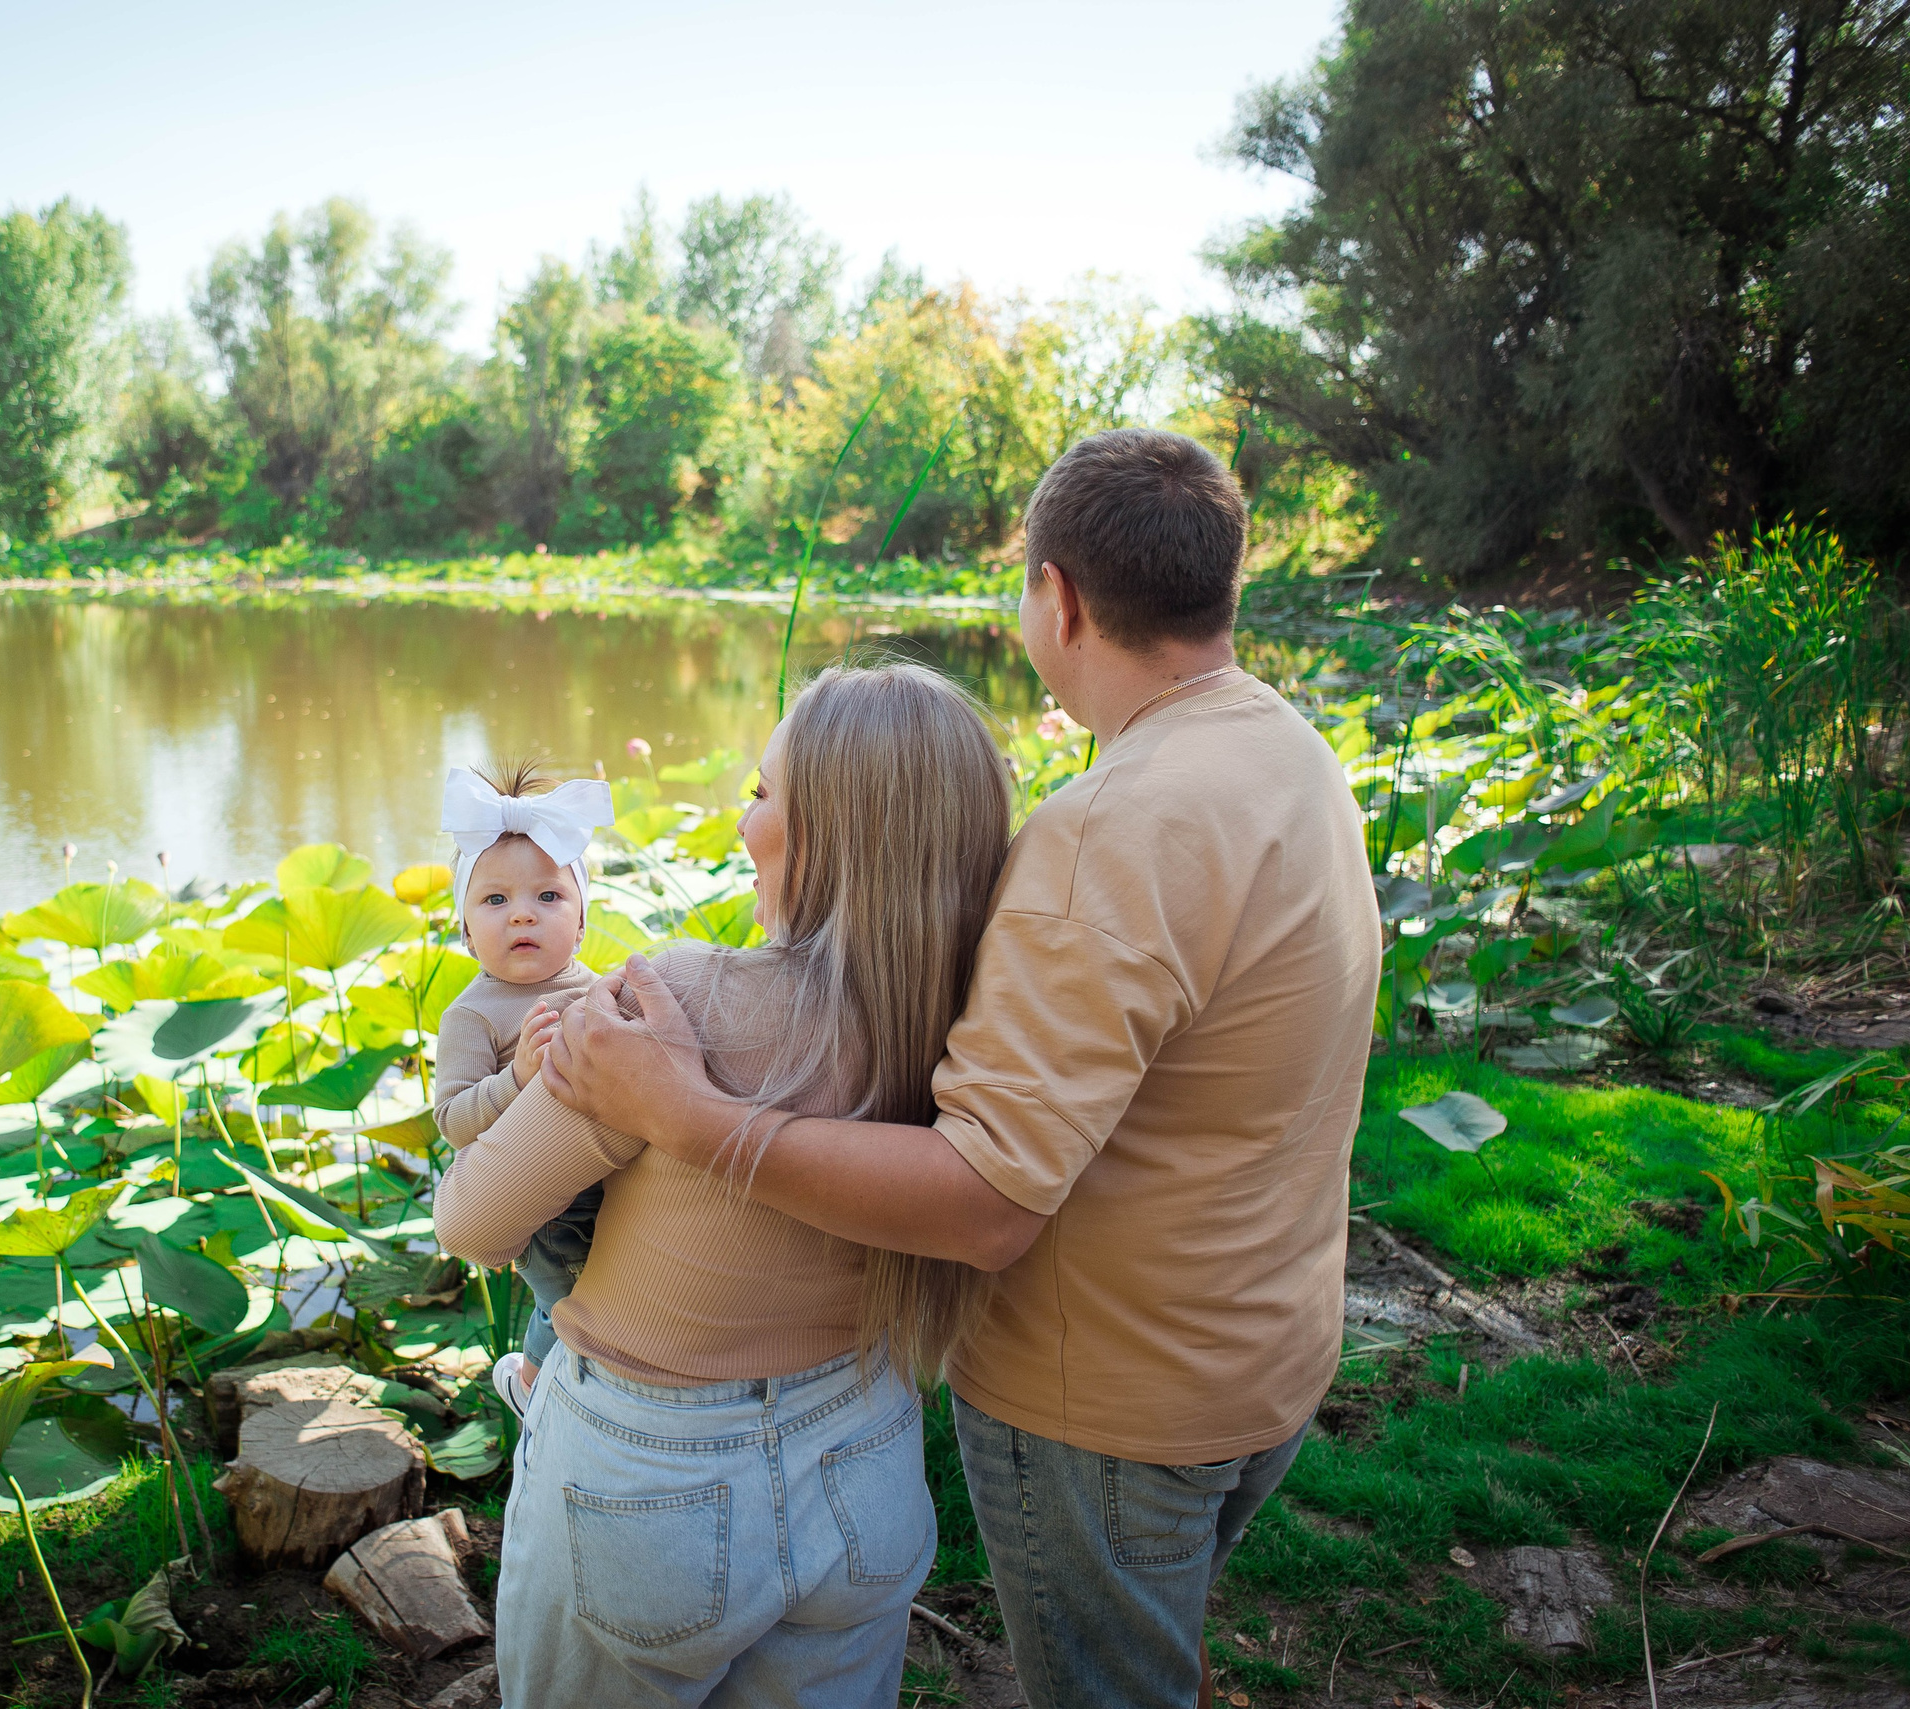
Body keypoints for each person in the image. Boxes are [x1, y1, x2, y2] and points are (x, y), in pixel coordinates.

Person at [542, 428, 1383, 1709]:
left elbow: (986, 1202)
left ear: (1057, 598)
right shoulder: (1289, 752)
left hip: (1109, 1404)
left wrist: (691, 1115)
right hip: (1262, 1350)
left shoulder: (1108, 829)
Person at [433, 662, 1013, 1709]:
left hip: (649, 1487)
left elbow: (471, 1221)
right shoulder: (975, 1021)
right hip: (866, 1450)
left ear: (826, 830)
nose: (742, 822)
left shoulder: (678, 999)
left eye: (759, 791)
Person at [431, 761, 612, 1416]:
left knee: (619, 1289)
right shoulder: (474, 1015)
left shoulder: (599, 989)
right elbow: (453, 1119)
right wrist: (517, 1078)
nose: (523, 916)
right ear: (465, 929)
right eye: (495, 901)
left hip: (612, 1179)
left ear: (582, 920)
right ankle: (535, 1386)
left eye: (549, 897)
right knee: (568, 1299)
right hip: (544, 1204)